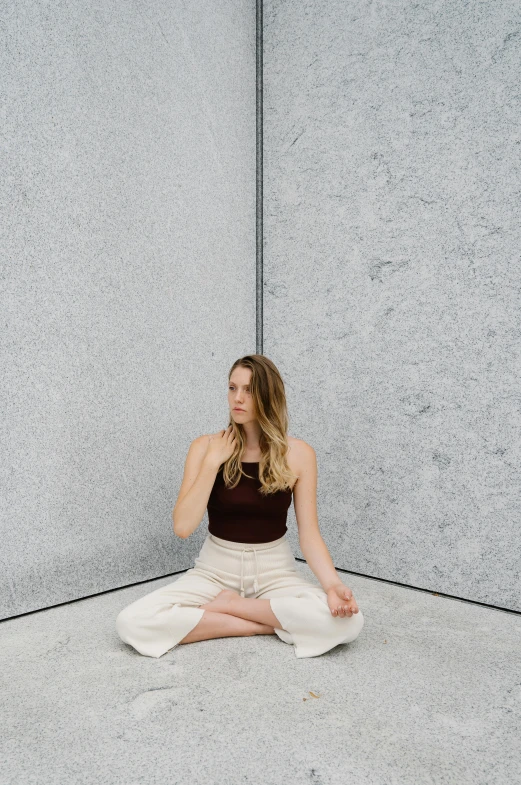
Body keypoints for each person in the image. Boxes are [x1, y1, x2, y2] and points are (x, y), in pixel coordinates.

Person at [116, 355, 364, 658]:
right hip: (213, 571)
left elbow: (309, 534)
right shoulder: (205, 447)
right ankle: (261, 623)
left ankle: (232, 608)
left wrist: (332, 585)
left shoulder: (299, 454)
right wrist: (211, 463)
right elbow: (182, 527)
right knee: (131, 622)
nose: (238, 398)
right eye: (232, 388)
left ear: (268, 396)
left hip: (276, 570)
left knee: (350, 623)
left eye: (248, 390)